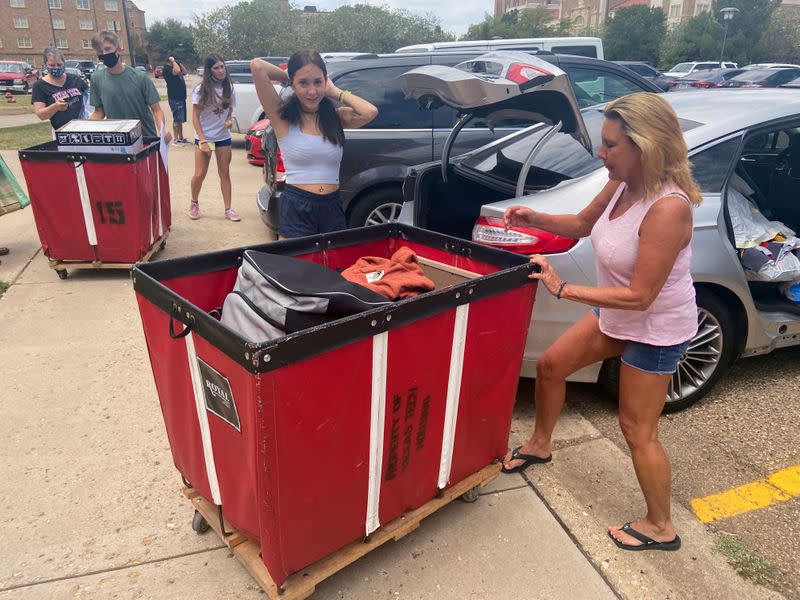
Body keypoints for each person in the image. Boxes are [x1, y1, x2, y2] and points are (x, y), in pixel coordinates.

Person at [501, 92, 701, 552]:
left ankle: (660, 526)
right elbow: (581, 223)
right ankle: (540, 444)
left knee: (637, 429)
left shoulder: (668, 208)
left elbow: (640, 296)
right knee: (551, 367)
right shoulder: (623, 181)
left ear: (645, 146)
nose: (600, 152)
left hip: (654, 327)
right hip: (616, 312)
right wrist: (534, 216)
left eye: (610, 145)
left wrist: (563, 288)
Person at [250, 49, 378, 238]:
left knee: (334, 266)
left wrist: (336, 92)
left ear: (325, 81)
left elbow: (370, 112)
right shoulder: (282, 118)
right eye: (303, 82)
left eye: (318, 82)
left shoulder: (336, 117)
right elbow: (257, 66)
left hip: (332, 206)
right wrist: (289, 75)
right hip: (297, 207)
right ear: (293, 83)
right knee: (296, 267)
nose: (312, 91)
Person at [89, 31, 171, 143]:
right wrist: (87, 128)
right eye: (100, 51)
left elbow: (156, 109)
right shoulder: (96, 79)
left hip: (145, 139)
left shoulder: (141, 77)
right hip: (118, 140)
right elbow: (99, 111)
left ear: (119, 50)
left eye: (107, 49)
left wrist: (162, 131)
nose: (104, 53)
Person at [188, 54, 239, 222]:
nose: (221, 70)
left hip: (223, 137)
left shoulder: (229, 89)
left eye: (222, 67)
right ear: (210, 71)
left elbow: (229, 110)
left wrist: (229, 120)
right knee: (200, 174)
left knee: (224, 172)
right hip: (205, 137)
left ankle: (228, 209)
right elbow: (195, 117)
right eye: (216, 68)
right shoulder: (200, 90)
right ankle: (194, 203)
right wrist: (202, 140)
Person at [31, 47, 88, 132]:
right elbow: (41, 115)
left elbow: (90, 99)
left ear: (64, 63)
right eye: (52, 65)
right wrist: (55, 107)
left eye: (59, 64)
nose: (56, 67)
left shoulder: (75, 79)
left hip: (83, 127)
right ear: (46, 65)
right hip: (61, 131)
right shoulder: (39, 85)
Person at [162, 55, 189, 146]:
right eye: (176, 61)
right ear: (170, 61)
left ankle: (181, 138)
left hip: (181, 97)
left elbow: (185, 72)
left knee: (180, 119)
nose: (177, 62)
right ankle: (175, 139)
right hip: (175, 97)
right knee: (177, 119)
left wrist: (179, 64)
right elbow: (177, 71)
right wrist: (173, 61)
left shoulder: (176, 66)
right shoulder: (167, 69)